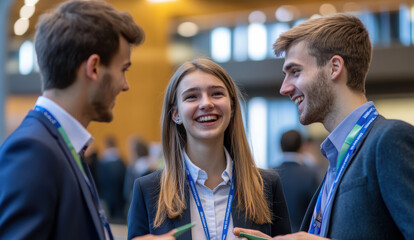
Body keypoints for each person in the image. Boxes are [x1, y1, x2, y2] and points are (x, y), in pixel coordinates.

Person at [0, 1, 175, 239]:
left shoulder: (61, 144)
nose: (126, 85)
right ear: (93, 68)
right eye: (123, 69)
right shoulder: (34, 150)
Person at [234, 13, 414, 240]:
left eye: (295, 72)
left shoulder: (390, 139)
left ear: (334, 68)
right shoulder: (336, 159)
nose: (284, 88)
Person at [127, 58, 291, 240]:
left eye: (216, 94)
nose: (206, 104)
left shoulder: (267, 186)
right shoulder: (148, 190)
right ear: (176, 114)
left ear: (232, 107)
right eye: (191, 97)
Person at [274, 130, 319, 232]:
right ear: (302, 147)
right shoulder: (310, 174)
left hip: (275, 236)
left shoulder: (270, 174)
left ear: (280, 147)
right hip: (302, 234)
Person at [99, 135, 127, 222]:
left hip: (107, 194)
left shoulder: (103, 162)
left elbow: (101, 179)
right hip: (120, 195)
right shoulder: (121, 161)